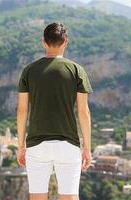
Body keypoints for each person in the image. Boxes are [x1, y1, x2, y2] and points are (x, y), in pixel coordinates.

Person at [16, 22, 93, 200]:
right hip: (68, 145)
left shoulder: (29, 70)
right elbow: (84, 113)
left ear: (44, 42)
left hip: (36, 145)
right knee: (70, 197)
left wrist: (21, 146)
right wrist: (87, 149)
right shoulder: (76, 70)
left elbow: (22, 111)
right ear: (66, 41)